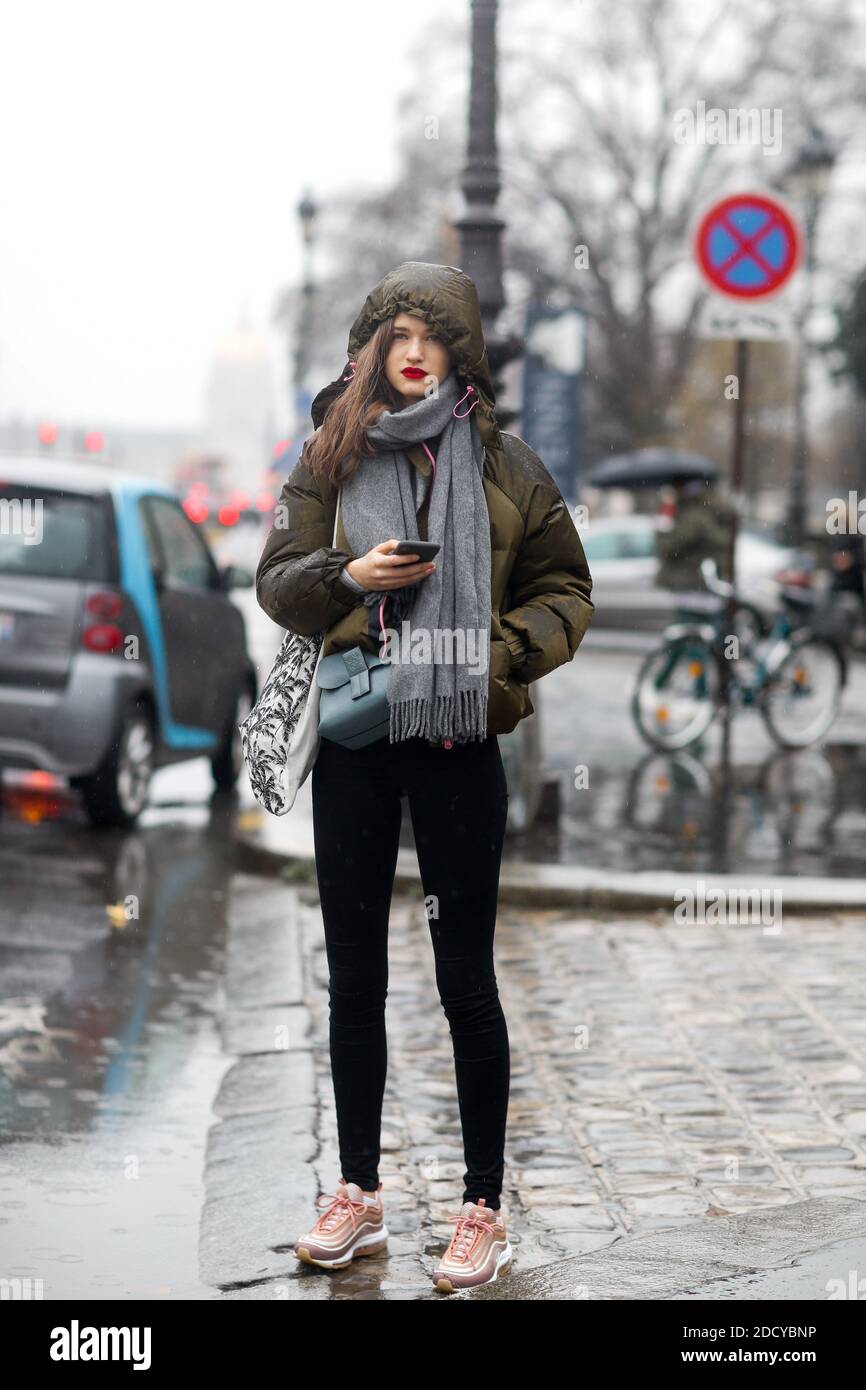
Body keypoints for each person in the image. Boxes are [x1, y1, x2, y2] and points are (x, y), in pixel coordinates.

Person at [255, 261, 593, 1292]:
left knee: (464, 982)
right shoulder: (329, 453)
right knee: (352, 977)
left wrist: (497, 657)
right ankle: (355, 1193)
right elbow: (276, 579)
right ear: (369, 346)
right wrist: (347, 577)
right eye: (394, 331)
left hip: (456, 744)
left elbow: (564, 590)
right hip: (357, 743)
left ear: (457, 351)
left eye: (430, 333)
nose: (412, 348)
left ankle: (480, 1209)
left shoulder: (507, 466)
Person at [654, 477, 731, 593]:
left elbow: (668, 546)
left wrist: (664, 520)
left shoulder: (692, 516)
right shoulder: (691, 513)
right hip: (685, 580)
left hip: (685, 581)